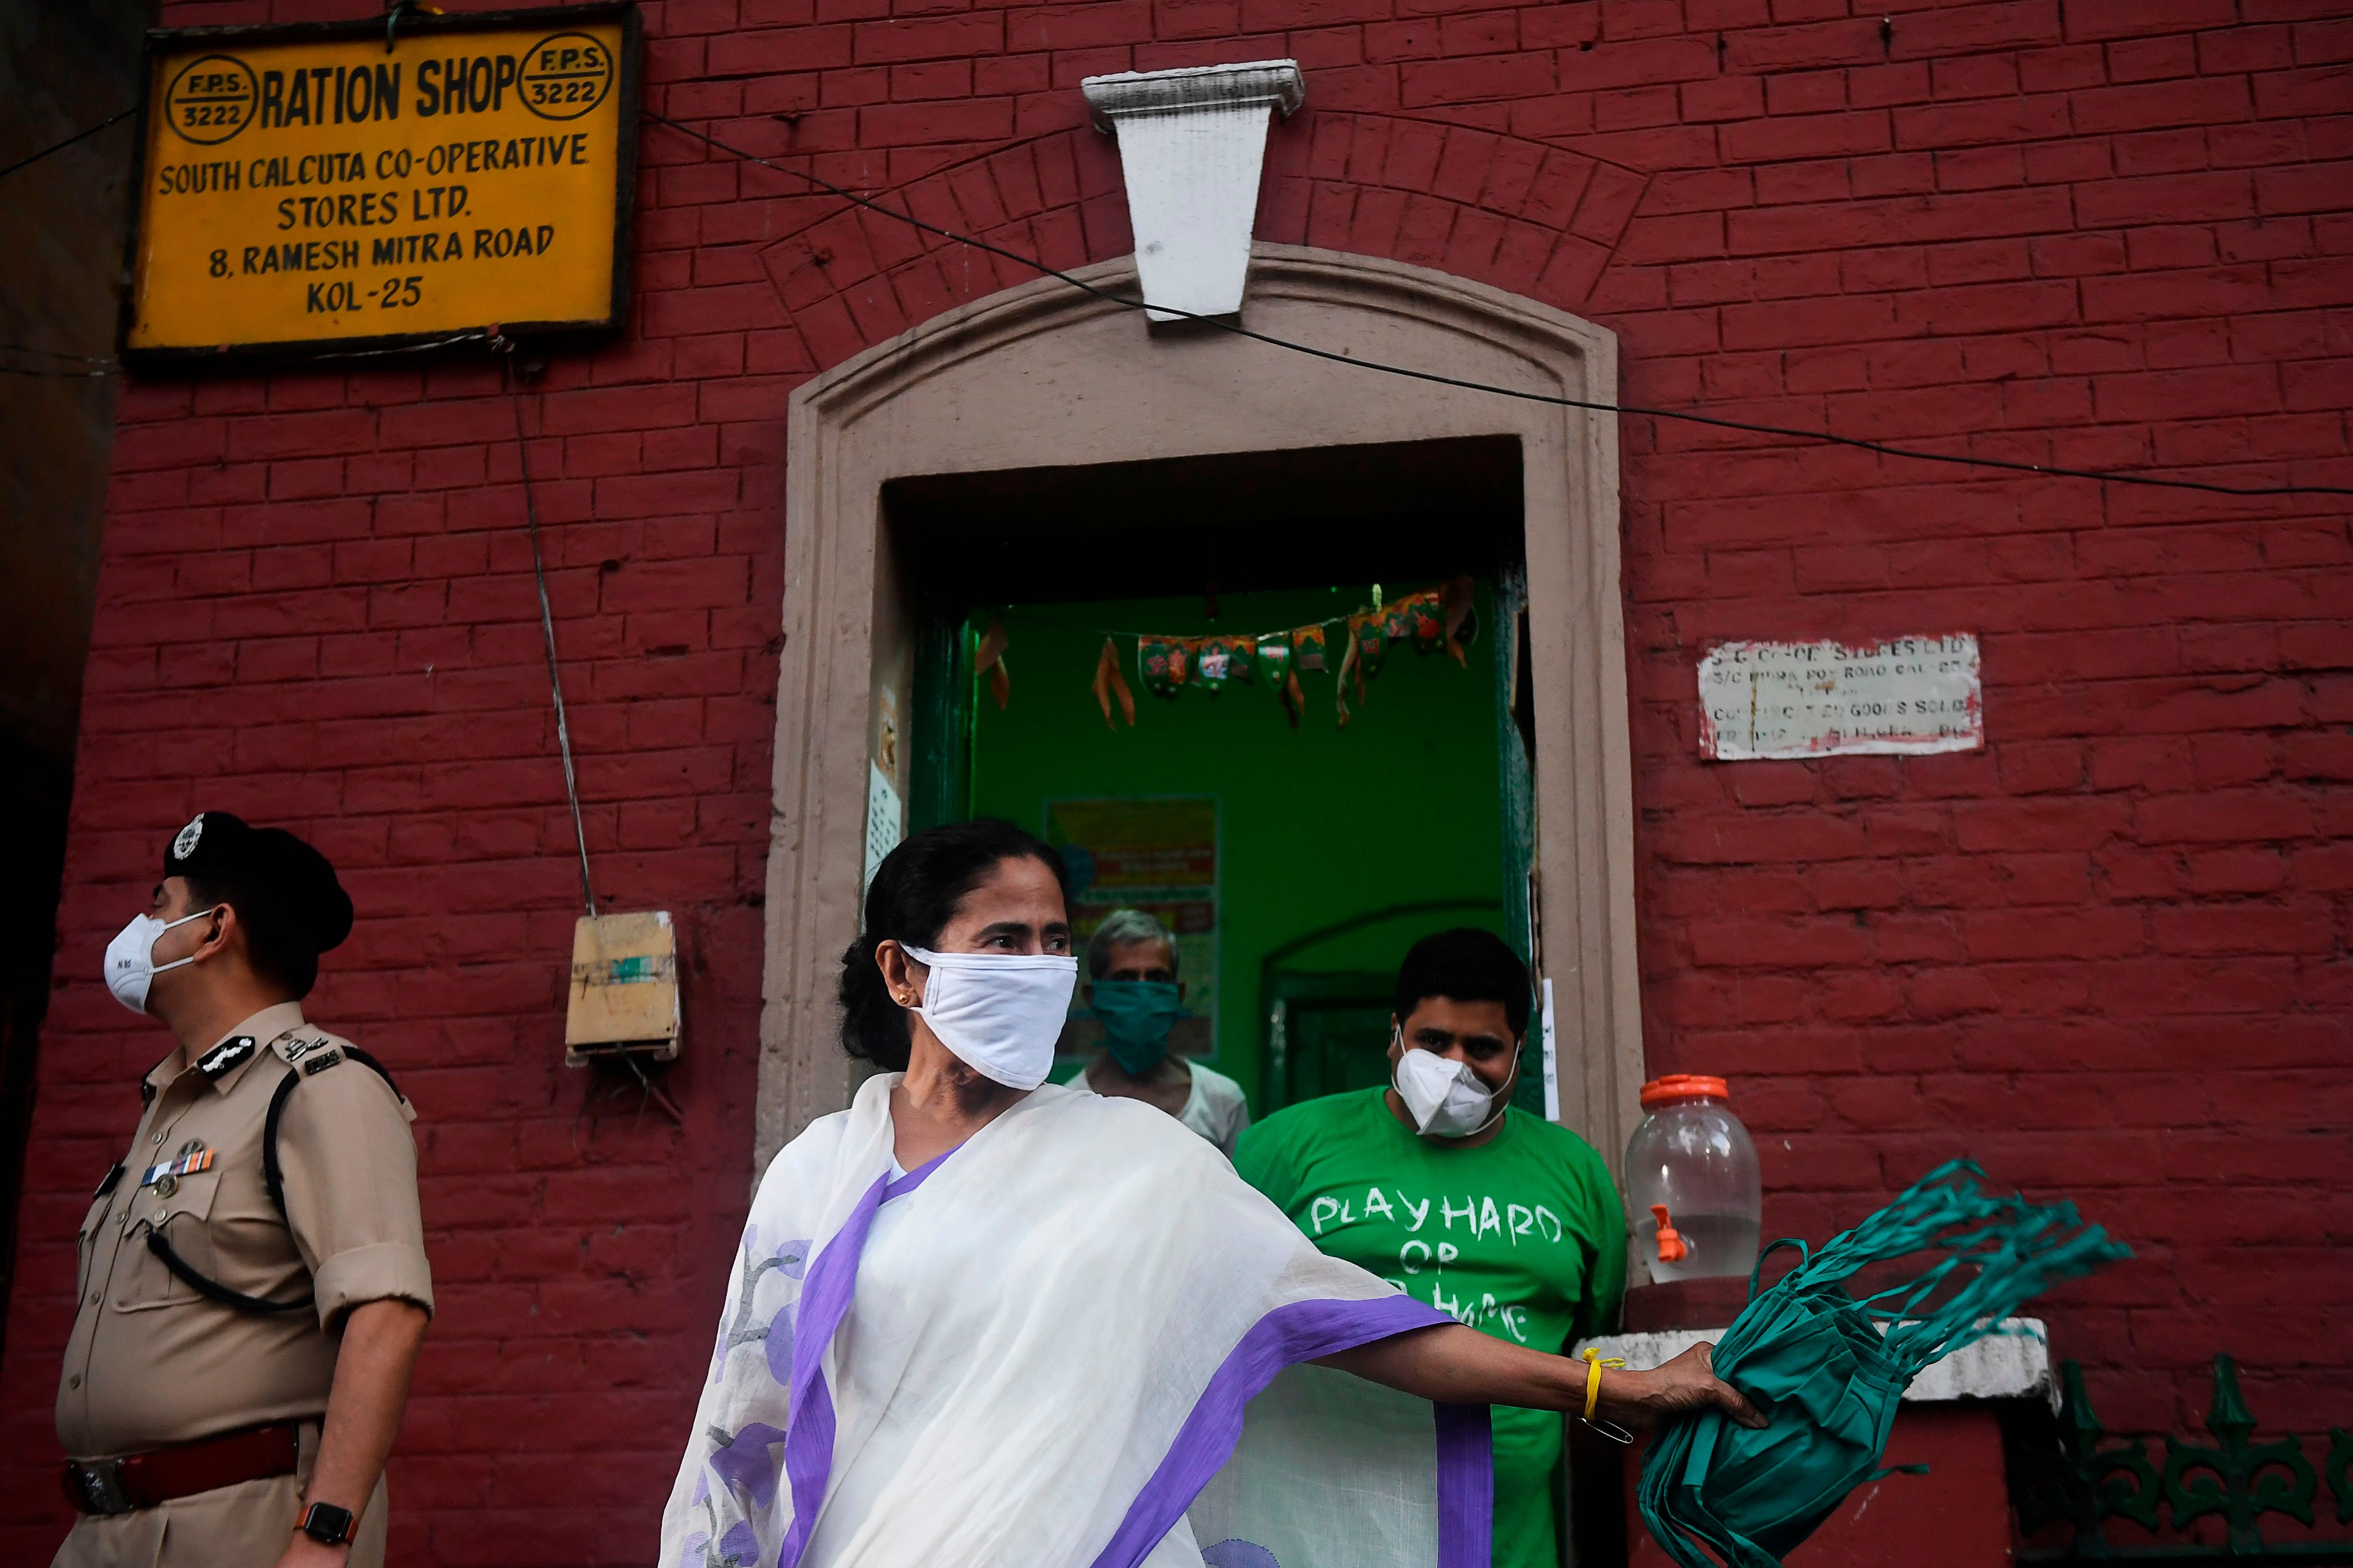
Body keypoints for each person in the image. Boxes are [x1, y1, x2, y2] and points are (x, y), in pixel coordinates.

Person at [659, 822, 1757, 1568]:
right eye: (1005, 942)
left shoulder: (1139, 1160)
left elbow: (1349, 1324)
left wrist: (1606, 1389)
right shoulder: (815, 1171)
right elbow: (740, 1423)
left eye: (1054, 944)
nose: (1043, 968)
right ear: (904, 973)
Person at [55, 812, 432, 1568]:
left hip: (236, 1530)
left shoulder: (321, 1085)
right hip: (105, 1532)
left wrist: (325, 1536)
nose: (139, 928)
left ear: (212, 928)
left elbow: (385, 1313)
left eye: (159, 905)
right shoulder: (172, 1107)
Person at [1233, 928, 1624, 1568]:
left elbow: (1595, 1333)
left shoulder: (1574, 1171)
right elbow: (1226, 1316)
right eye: (1434, 1041)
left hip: (1513, 1541)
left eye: (1485, 1047)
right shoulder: (1284, 1148)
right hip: (1322, 1530)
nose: (1455, 1066)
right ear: (1396, 1032)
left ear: (1521, 1051)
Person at [1060, 907, 1251, 1156]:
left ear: (1178, 995)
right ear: (1093, 997)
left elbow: (1241, 1193)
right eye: (1125, 979)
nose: (1143, 993)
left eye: (1157, 978)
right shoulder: (1069, 1106)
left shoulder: (1221, 1102)